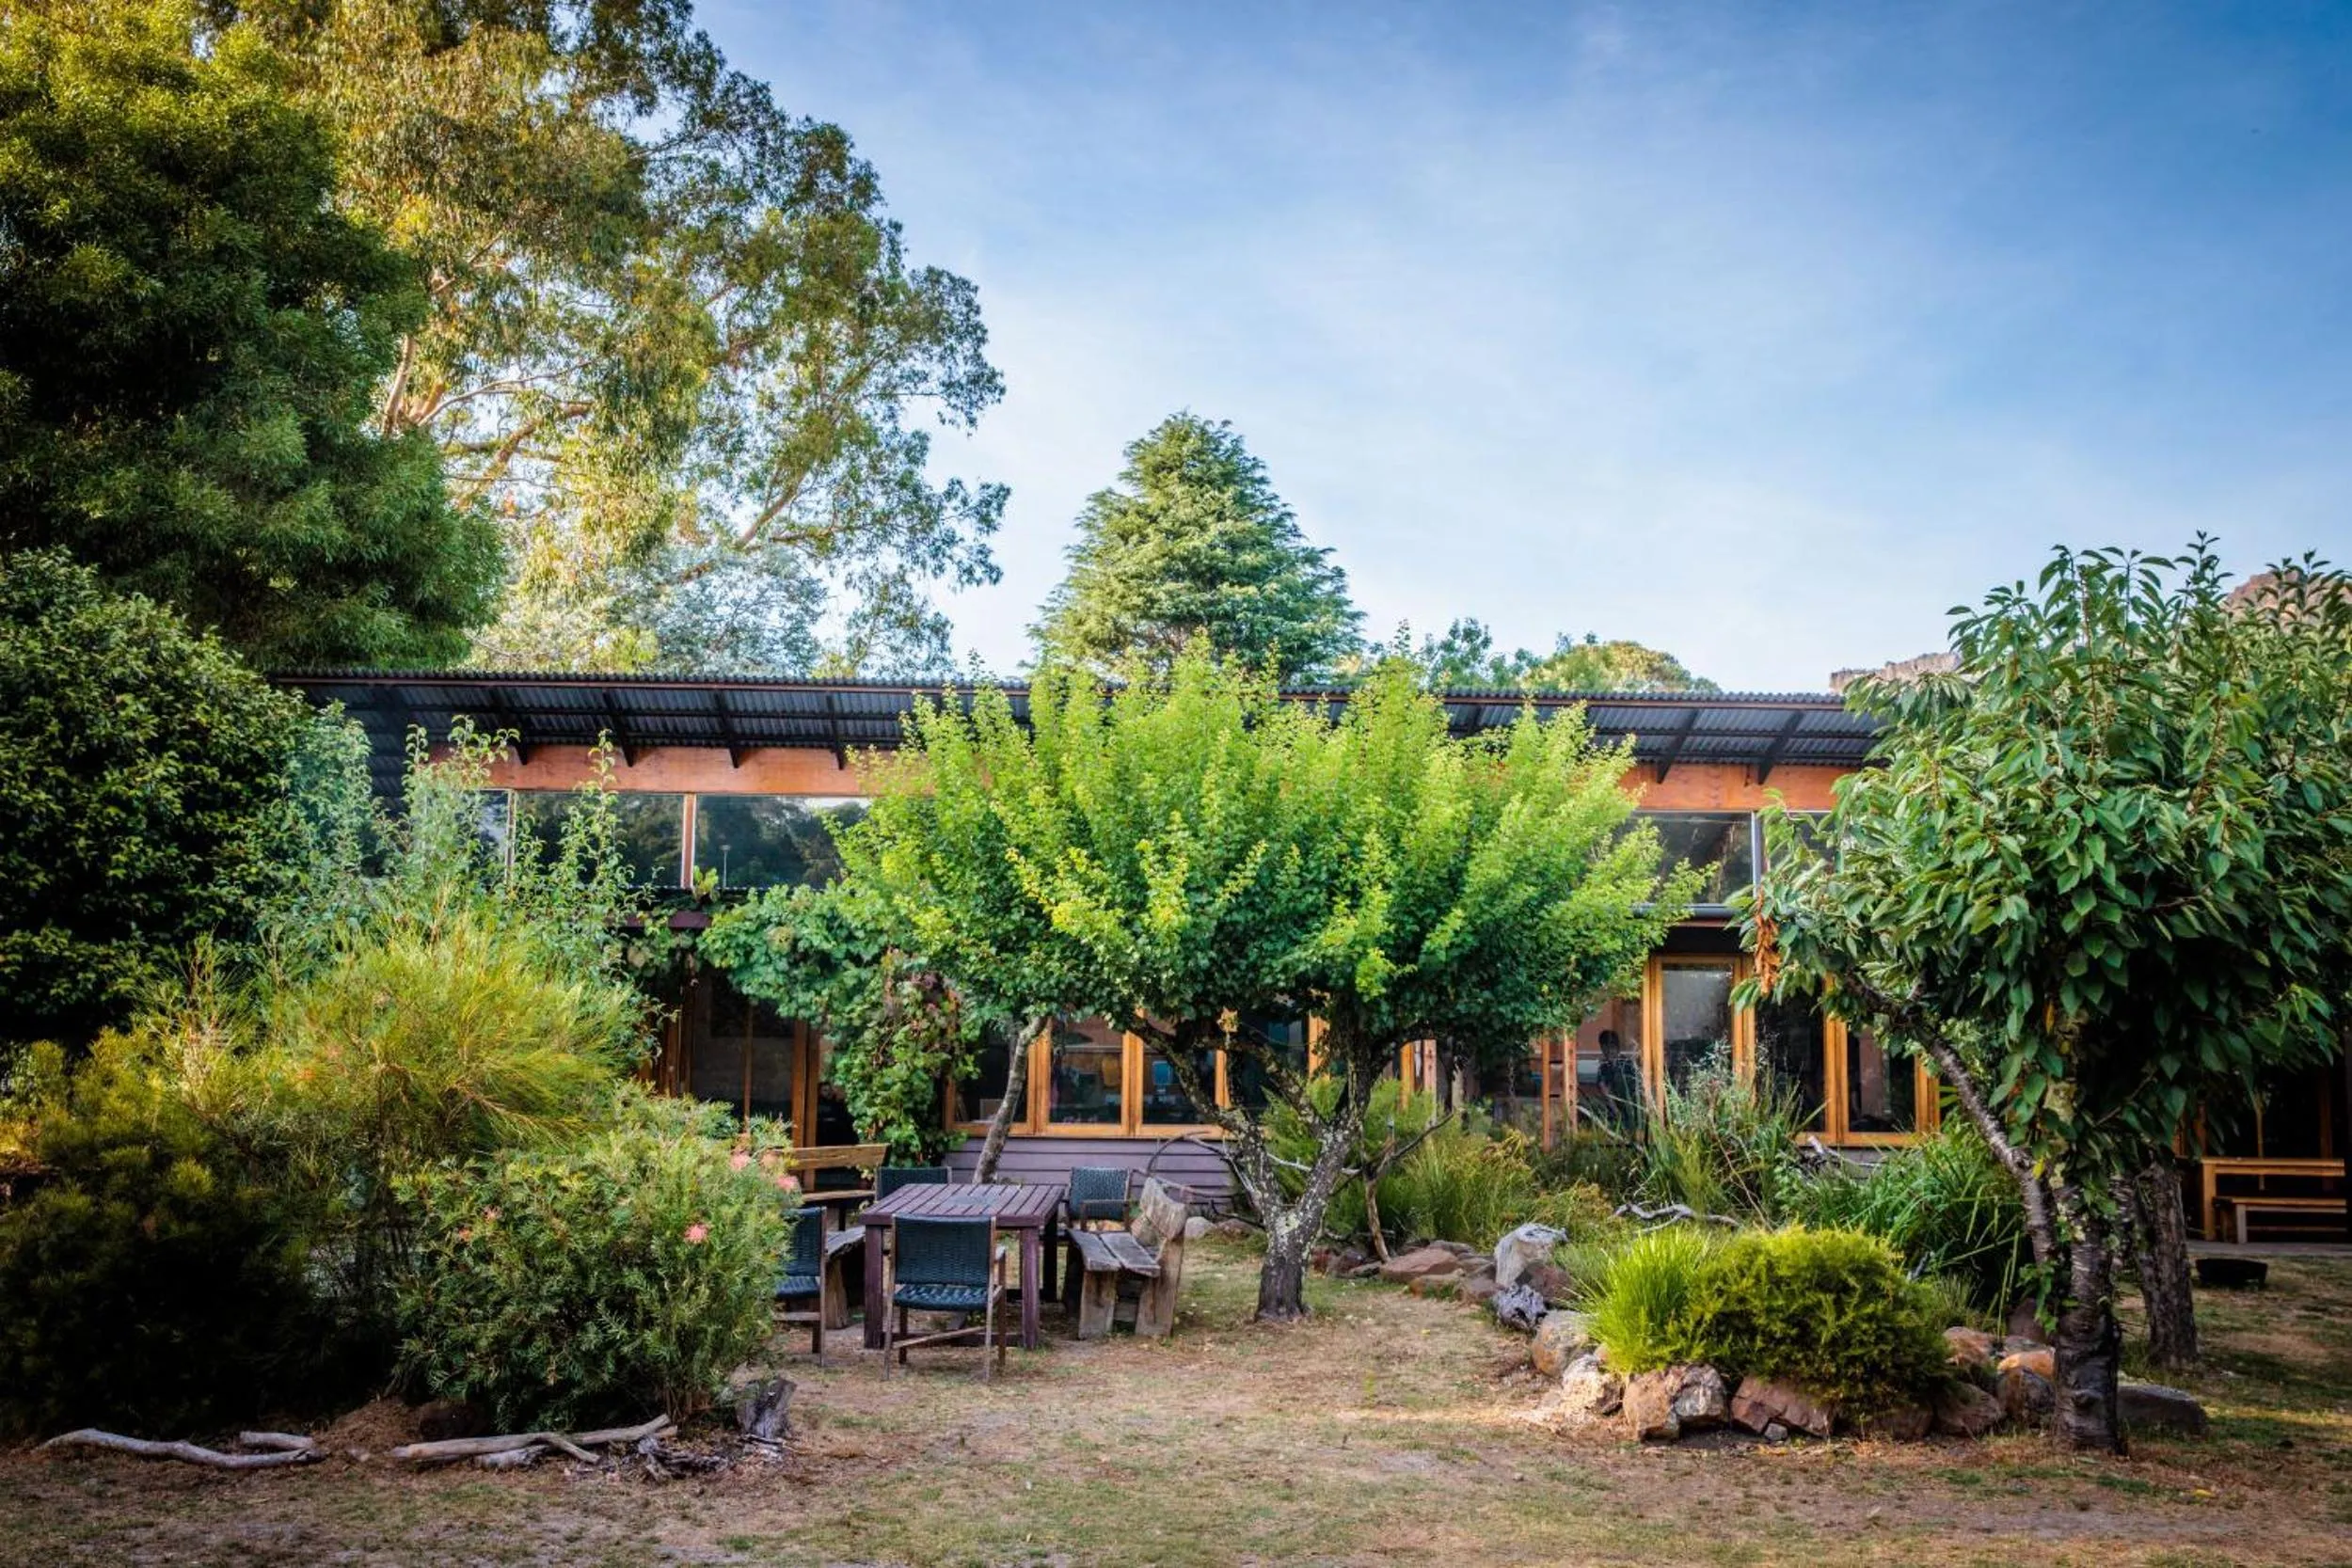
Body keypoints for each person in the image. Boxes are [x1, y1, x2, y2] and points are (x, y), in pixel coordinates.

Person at [1595, 1029, 1643, 1133]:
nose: (1608, 1051)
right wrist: (1617, 1113)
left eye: (1611, 1047)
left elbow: (1638, 1087)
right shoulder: (1603, 1068)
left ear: (1617, 1047)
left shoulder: (1627, 1064)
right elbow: (1604, 1091)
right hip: (1614, 1114)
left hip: (1633, 1111)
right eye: (1604, 1047)